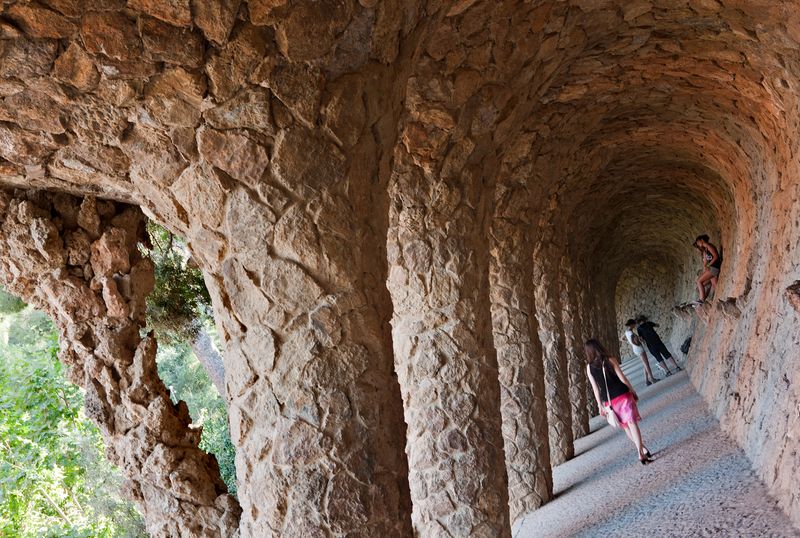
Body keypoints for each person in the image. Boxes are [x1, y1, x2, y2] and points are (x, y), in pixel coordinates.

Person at [585, 339, 653, 465]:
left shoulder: (589, 368)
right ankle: (640, 451)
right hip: (623, 395)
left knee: (626, 426)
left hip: (610, 402)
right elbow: (622, 378)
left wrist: (600, 405)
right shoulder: (611, 360)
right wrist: (632, 390)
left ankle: (642, 449)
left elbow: (596, 389)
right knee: (632, 423)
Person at [621, 318, 658, 385]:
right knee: (647, 364)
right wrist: (638, 341)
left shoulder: (626, 332)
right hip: (639, 348)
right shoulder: (631, 332)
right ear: (632, 324)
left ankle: (647, 381)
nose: (635, 326)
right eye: (634, 324)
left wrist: (629, 342)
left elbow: (622, 339)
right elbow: (635, 341)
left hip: (635, 349)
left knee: (645, 364)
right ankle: (652, 379)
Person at [693, 234, 721, 305]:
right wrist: (705, 267)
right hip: (712, 269)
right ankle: (719, 299)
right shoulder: (705, 250)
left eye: (698, 242)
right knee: (715, 286)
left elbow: (716, 256)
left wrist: (708, 265)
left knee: (699, 281)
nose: (698, 244)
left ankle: (701, 300)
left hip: (714, 268)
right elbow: (705, 262)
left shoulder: (709, 246)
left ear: (702, 240)